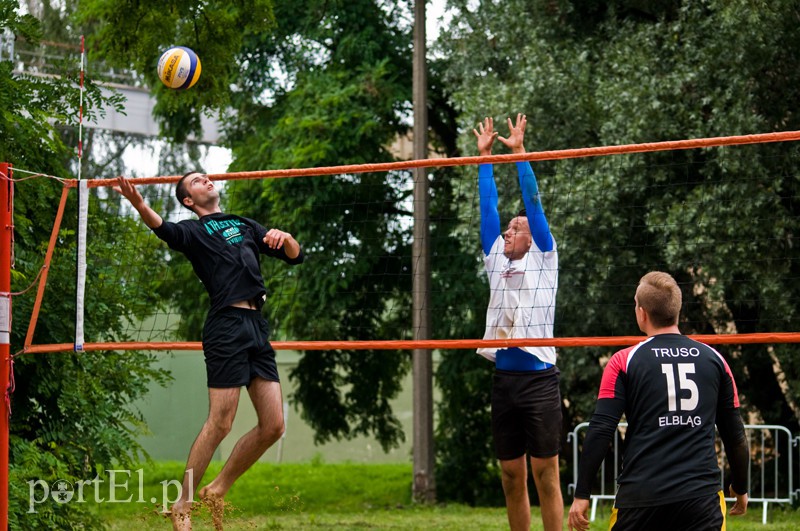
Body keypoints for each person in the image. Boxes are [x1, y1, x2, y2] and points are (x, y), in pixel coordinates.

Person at [115, 172, 304, 531]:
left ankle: (217, 488)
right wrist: (139, 204)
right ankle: (182, 503)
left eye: (206, 177)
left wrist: (288, 238)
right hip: (226, 326)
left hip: (256, 327)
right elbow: (163, 228)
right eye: (197, 181)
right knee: (222, 421)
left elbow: (294, 257)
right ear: (189, 200)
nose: (206, 180)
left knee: (274, 425)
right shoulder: (194, 231)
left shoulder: (242, 223)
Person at [568, 271, 749, 531]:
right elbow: (735, 434)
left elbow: (601, 429)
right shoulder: (715, 359)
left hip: (641, 497)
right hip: (701, 499)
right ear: (677, 311)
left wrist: (582, 493)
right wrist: (740, 486)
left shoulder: (623, 361)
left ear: (642, 312)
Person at [473, 114, 563, 531]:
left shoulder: (544, 258)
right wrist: (485, 157)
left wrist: (520, 154)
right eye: (507, 228)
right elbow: (487, 207)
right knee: (512, 476)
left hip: (540, 379)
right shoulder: (496, 260)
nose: (508, 231)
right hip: (504, 381)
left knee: (546, 474)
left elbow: (534, 203)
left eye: (516, 227)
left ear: (533, 237)